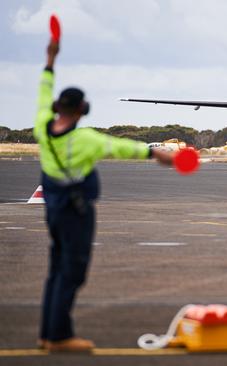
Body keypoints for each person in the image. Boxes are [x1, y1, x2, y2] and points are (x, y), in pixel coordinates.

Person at [34, 39, 174, 352]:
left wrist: (50, 58)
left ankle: (47, 333)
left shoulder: (42, 127)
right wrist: (158, 154)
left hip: (54, 210)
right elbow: (122, 147)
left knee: (56, 270)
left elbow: (44, 90)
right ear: (83, 109)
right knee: (72, 272)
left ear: (57, 107)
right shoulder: (85, 139)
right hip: (77, 213)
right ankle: (59, 337)